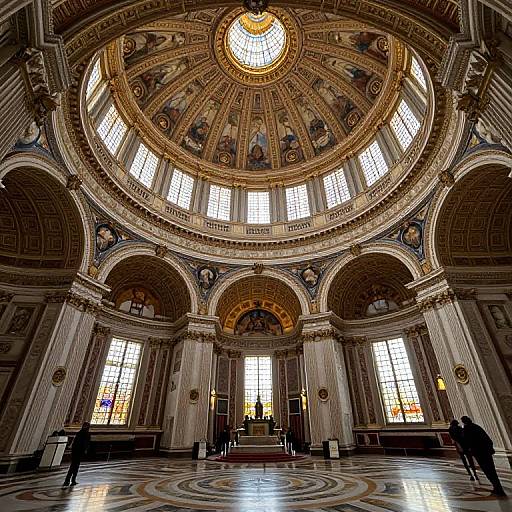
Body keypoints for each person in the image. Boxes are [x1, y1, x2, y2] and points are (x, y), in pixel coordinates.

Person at [461, 416, 506, 496]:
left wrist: (468, 451)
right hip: (486, 451)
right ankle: (498, 488)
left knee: (487, 470)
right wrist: (490, 448)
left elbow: (466, 442)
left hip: (479, 452)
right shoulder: (477, 427)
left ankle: (497, 489)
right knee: (492, 470)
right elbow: (487, 438)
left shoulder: (466, 429)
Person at [63, 422, 90, 486]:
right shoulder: (86, 434)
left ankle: (70, 480)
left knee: (73, 466)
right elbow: (85, 444)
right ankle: (70, 480)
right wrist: (85, 450)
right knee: (74, 466)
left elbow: (75, 443)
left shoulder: (79, 433)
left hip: (75, 451)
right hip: (78, 452)